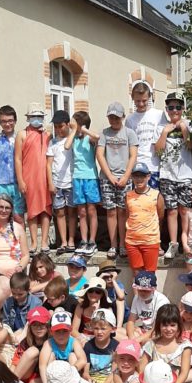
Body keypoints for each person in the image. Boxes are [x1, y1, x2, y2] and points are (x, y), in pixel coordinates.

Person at [154, 93, 192, 260]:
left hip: (186, 174)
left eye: (178, 107)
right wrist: (165, 132)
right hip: (167, 175)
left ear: (183, 108)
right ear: (167, 109)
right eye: (171, 107)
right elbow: (158, 151)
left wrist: (184, 129)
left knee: (185, 210)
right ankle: (173, 243)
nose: (174, 110)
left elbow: (191, 146)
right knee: (171, 211)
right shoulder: (161, 127)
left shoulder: (189, 125)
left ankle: (187, 242)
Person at [96, 101, 138, 258]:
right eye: (111, 117)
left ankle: (122, 244)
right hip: (108, 178)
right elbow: (100, 155)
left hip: (124, 178)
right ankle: (113, 245)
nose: (114, 120)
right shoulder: (104, 134)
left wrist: (126, 176)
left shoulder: (129, 133)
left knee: (123, 212)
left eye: (117, 117)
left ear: (123, 117)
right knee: (111, 212)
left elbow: (133, 155)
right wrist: (109, 175)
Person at [14, 103, 51, 254]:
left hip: (45, 177)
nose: (37, 119)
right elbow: (18, 159)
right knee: (32, 210)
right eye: (34, 116)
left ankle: (44, 241)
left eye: (39, 116)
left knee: (46, 209)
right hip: (29, 176)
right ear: (28, 117)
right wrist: (20, 180)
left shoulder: (48, 134)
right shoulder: (22, 134)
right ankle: (34, 241)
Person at [66, 111, 100, 255]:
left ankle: (92, 240)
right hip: (77, 177)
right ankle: (84, 240)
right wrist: (75, 131)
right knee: (82, 211)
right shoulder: (74, 137)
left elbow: (97, 137)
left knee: (91, 210)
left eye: (73, 121)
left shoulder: (88, 137)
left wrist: (83, 129)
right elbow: (67, 146)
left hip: (90, 177)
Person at [0, 105, 26, 222]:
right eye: (4, 121)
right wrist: (3, 171)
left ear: (15, 121)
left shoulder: (22, 138)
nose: (7, 124)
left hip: (18, 183)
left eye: (10, 120)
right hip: (2, 185)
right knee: (3, 216)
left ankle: (20, 234)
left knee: (18, 217)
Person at [142, 303, 192, 383]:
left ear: (178, 325)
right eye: (165, 325)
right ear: (159, 325)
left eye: (172, 325)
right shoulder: (151, 345)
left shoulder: (184, 347)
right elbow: (141, 368)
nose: (169, 329)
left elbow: (184, 373)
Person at [124, 162, 164, 271]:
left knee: (149, 275)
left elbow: (160, 216)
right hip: (132, 242)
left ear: (148, 177)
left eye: (142, 176)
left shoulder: (156, 194)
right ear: (132, 177)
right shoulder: (128, 195)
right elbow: (128, 216)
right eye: (136, 176)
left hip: (150, 241)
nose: (139, 179)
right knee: (136, 274)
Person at [125, 81, 165, 188]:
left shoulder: (159, 115)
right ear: (132, 98)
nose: (141, 104)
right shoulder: (130, 119)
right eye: (138, 101)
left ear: (149, 97)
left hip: (154, 166)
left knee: (153, 197)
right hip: (137, 166)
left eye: (144, 100)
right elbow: (130, 146)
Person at [45, 110, 75, 254]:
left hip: (71, 182)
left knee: (72, 213)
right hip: (57, 183)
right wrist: (50, 183)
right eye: (56, 126)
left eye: (61, 126)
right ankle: (63, 241)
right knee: (60, 213)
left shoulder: (73, 139)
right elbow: (48, 164)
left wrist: (75, 129)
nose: (58, 129)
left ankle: (71, 240)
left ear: (68, 124)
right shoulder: (53, 142)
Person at [82, 308, 119, 383]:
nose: (99, 332)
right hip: (93, 379)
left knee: (118, 381)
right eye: (96, 328)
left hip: (109, 379)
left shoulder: (116, 346)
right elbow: (85, 372)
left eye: (103, 329)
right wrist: (90, 380)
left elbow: (114, 371)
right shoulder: (88, 346)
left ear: (113, 329)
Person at [126, 270, 169, 341]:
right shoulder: (136, 298)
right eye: (140, 290)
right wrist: (131, 337)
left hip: (157, 332)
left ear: (154, 289)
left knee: (151, 339)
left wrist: (137, 340)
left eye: (146, 290)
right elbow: (131, 321)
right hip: (143, 330)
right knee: (116, 332)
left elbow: (156, 327)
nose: (143, 293)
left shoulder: (162, 301)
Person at [0, 271, 41, 340]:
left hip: (28, 334)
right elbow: (6, 322)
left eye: (20, 294)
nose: (16, 297)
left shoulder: (36, 303)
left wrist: (21, 333)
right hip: (12, 333)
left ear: (28, 291)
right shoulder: (8, 302)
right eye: (13, 293)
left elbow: (34, 325)